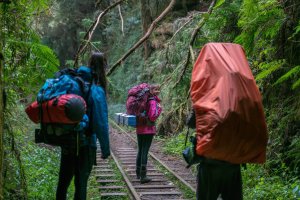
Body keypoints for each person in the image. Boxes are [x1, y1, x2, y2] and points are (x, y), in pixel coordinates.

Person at [56, 52, 110, 200]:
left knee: (63, 182)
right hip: (86, 143)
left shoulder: (73, 82)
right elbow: (100, 123)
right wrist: (105, 148)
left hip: (68, 140)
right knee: (81, 185)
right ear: (103, 67)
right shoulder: (96, 89)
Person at [135, 84, 162, 184]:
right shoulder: (152, 101)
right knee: (145, 151)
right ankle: (143, 176)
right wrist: (159, 109)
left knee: (140, 150)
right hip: (148, 129)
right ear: (151, 90)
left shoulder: (143, 99)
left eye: (158, 89)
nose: (157, 91)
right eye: (156, 89)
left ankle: (138, 173)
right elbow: (153, 117)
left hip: (140, 128)